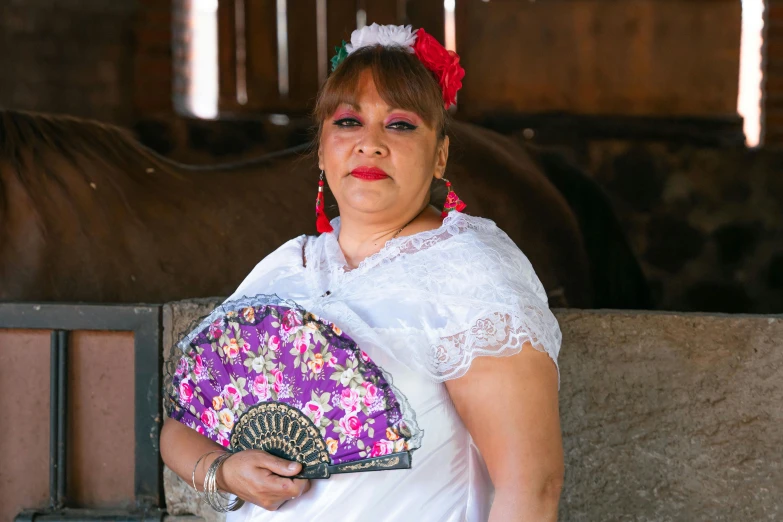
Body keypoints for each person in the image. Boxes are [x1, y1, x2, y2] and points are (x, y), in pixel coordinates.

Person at [160, 23, 563, 522]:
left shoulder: (469, 276)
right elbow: (182, 424)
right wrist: (222, 471)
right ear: (322, 148)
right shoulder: (289, 267)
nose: (370, 143)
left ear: (440, 155)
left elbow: (532, 486)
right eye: (348, 122)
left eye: (400, 125)